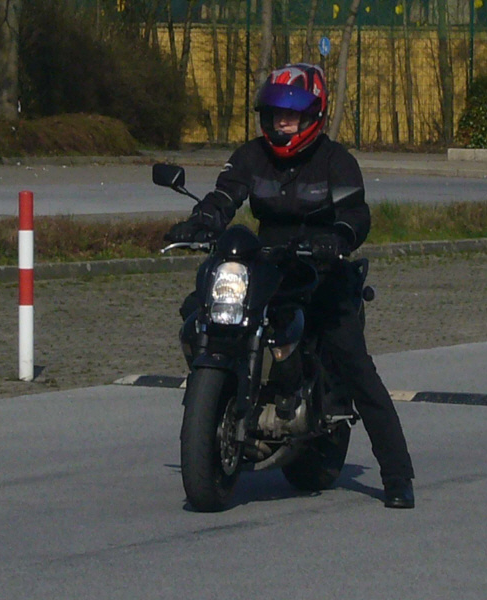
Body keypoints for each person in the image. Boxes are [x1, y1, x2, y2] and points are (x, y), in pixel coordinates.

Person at [165, 63, 415, 509]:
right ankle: (225, 400)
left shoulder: (336, 160)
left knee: (354, 364)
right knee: (199, 308)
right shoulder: (251, 155)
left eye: (292, 116)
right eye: (276, 114)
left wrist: (338, 237)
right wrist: (202, 220)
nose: (282, 123)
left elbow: (356, 213)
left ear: (312, 117)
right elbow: (225, 195)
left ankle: (397, 476)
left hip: (322, 268)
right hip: (268, 262)